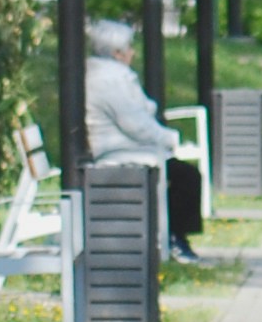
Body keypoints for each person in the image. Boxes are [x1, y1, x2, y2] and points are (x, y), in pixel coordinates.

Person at [86, 19, 203, 257]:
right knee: (187, 176)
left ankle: (174, 236)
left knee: (182, 173)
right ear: (117, 53)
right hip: (118, 151)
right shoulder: (111, 80)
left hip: (122, 147)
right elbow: (135, 124)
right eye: (129, 48)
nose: (133, 53)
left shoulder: (106, 75)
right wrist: (170, 139)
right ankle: (175, 238)